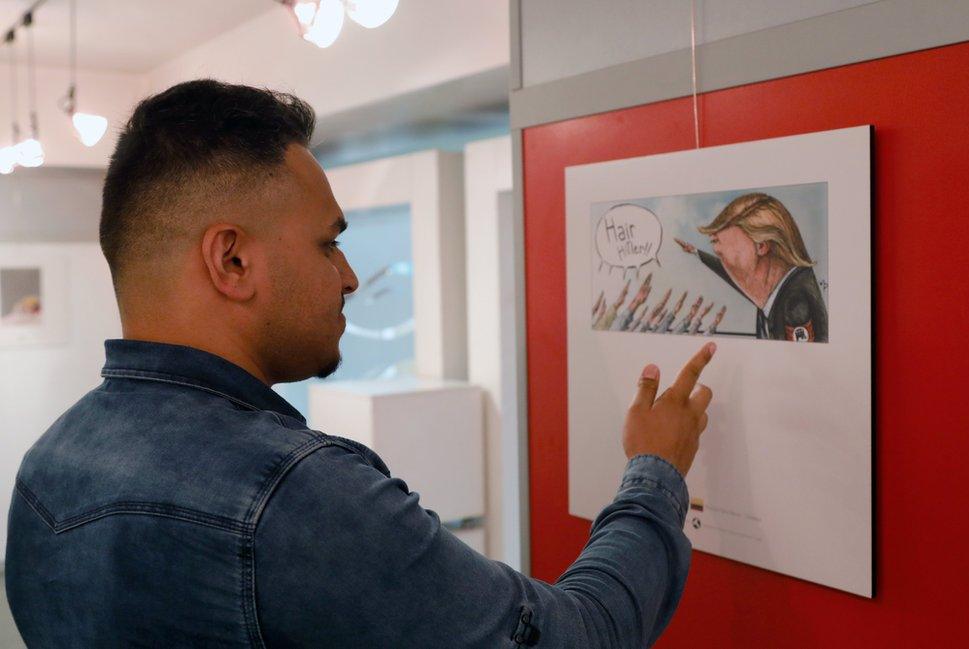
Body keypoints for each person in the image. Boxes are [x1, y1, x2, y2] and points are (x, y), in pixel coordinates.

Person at [4, 80, 716, 648]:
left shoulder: (45, 469)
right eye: (327, 243)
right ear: (233, 260)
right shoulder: (295, 496)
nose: (348, 275)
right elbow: (577, 637)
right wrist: (655, 473)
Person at [675, 192, 828, 342]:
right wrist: (696, 252)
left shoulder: (795, 305)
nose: (724, 263)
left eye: (721, 252)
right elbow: (727, 271)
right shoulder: (779, 290)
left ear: (761, 246)